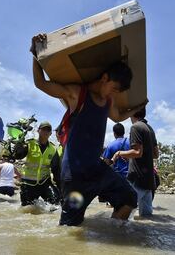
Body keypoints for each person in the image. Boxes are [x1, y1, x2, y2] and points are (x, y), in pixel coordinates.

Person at [31, 33, 145, 226]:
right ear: (105, 78)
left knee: (129, 198)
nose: (115, 94)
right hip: (74, 175)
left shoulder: (108, 101)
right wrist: (35, 55)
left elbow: (117, 116)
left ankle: (111, 237)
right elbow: (41, 84)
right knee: (70, 229)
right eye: (115, 88)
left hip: (97, 169)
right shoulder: (78, 94)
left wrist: (137, 107)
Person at [112, 107, 158, 217]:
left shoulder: (136, 127)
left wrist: (119, 153)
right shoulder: (150, 128)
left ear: (132, 113)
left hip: (136, 180)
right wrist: (131, 156)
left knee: (117, 217)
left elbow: (137, 152)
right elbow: (156, 154)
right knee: (145, 218)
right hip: (148, 181)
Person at [20, 121, 61, 206]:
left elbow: (56, 169)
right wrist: (19, 145)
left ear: (50, 133)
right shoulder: (29, 144)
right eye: (43, 129)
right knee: (27, 209)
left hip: (44, 183)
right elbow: (18, 155)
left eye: (48, 130)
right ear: (38, 131)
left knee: (56, 203)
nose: (46, 132)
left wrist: (61, 186)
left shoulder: (53, 149)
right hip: (28, 184)